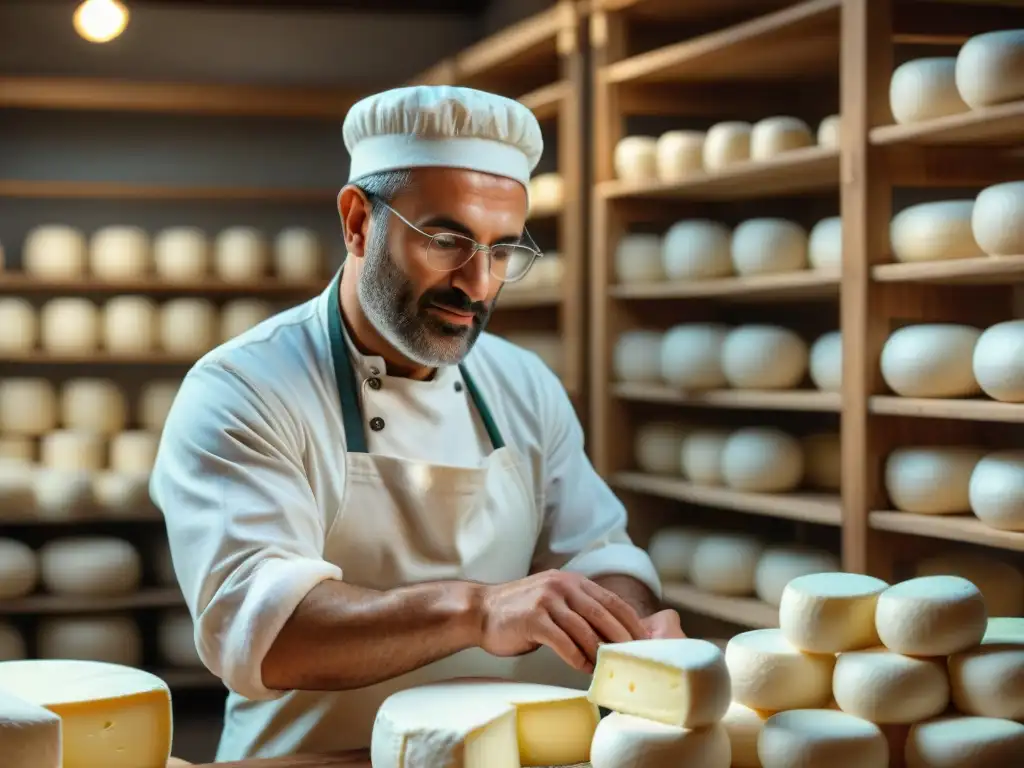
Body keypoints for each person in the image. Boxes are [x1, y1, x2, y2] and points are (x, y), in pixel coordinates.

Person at [150, 84, 684, 761]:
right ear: (357, 222)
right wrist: (479, 611)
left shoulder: (521, 382)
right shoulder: (243, 391)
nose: (479, 283)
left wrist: (624, 622)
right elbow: (265, 631)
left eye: (502, 250)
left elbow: (597, 552)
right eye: (447, 239)